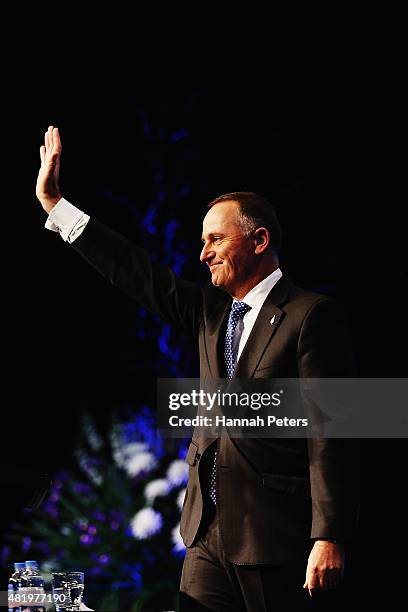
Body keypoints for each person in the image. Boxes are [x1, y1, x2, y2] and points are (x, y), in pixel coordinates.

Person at [36, 126, 359, 611]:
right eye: (201, 240)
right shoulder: (210, 310)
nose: (203, 252)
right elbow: (136, 271)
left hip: (274, 538)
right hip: (205, 537)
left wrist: (329, 535)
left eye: (215, 239)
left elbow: (332, 431)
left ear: (259, 240)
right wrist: (57, 206)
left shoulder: (310, 315)